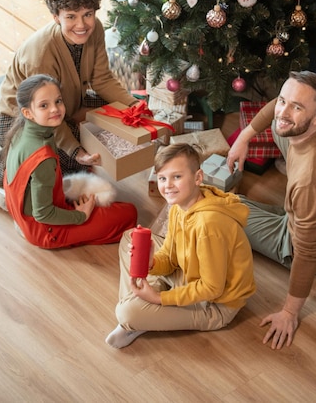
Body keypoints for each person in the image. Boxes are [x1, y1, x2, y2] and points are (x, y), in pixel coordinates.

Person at [226, 70, 316, 350]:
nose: (284, 111)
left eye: (297, 107)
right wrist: (244, 137)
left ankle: (259, 215)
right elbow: (275, 110)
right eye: (283, 100)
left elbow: (308, 253)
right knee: (282, 125)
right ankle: (279, 214)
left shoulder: (310, 183)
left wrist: (289, 313)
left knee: (219, 209)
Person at [0, 0, 138, 206]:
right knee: (65, 165)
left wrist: (133, 106)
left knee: (112, 112)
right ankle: (7, 167)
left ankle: (50, 158)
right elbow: (46, 114)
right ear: (56, 17)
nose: (82, 24)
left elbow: (102, 78)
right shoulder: (40, 55)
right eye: (71, 17)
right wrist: (77, 152)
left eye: (88, 14)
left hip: (66, 102)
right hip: (21, 117)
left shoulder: (95, 32)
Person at [105, 143, 256, 349]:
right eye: (162, 178)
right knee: (131, 238)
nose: (168, 185)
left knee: (126, 313)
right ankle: (142, 310)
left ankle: (137, 317)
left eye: (177, 177)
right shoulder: (178, 206)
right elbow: (170, 255)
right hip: (188, 273)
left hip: (213, 305)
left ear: (198, 177)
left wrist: (159, 298)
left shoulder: (208, 224)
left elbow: (212, 288)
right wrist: (150, 262)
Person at [2, 74, 137, 248]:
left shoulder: (21, 131)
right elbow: (43, 214)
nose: (55, 109)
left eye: (58, 101)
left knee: (97, 193)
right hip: (44, 229)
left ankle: (20, 218)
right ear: (28, 113)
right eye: (44, 105)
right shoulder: (42, 157)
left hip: (26, 210)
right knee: (129, 214)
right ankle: (28, 228)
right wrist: (81, 215)